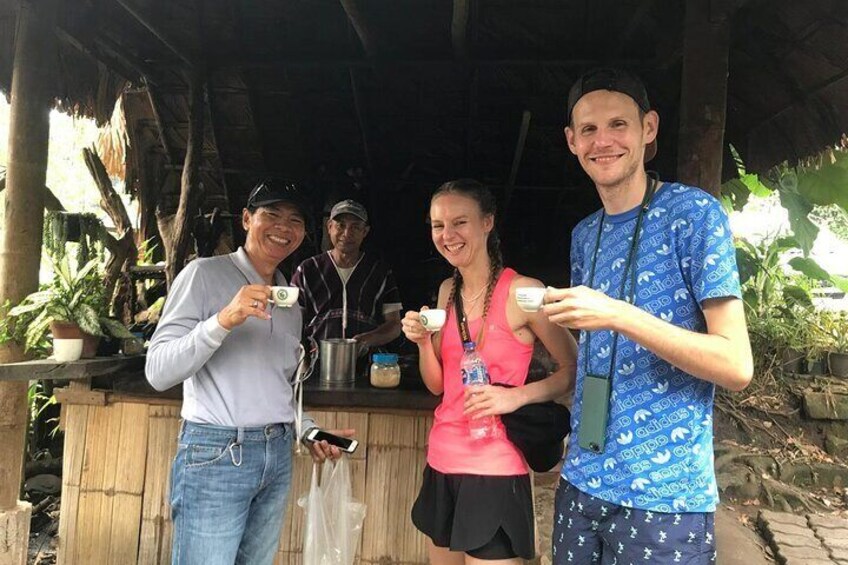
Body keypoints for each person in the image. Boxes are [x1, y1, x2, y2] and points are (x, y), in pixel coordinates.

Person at [544, 67, 754, 564]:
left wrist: (619, 314)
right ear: (572, 141)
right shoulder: (584, 234)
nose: (603, 141)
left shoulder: (695, 215)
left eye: (619, 124)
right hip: (581, 482)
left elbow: (736, 365)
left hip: (664, 498)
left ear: (649, 129)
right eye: (589, 130)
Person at [146, 180, 351, 565]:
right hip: (217, 453)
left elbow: (279, 389)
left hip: (276, 454)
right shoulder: (204, 275)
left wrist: (308, 430)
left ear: (304, 233)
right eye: (271, 214)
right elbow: (158, 371)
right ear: (246, 219)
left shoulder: (289, 299)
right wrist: (222, 320)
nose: (283, 227)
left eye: (295, 220)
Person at [401, 179, 578, 563]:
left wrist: (516, 396)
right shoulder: (447, 291)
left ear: (487, 223)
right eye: (437, 225)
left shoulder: (523, 292)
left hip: (496, 465)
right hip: (442, 458)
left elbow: (573, 368)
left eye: (459, 222)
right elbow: (437, 385)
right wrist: (420, 342)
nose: (447, 235)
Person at [292, 199, 402, 353]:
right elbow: (292, 322)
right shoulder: (307, 270)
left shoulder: (379, 271)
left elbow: (394, 325)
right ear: (329, 227)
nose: (347, 233)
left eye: (355, 227)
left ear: (365, 232)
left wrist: (367, 339)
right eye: (340, 225)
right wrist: (302, 360)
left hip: (367, 365)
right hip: (317, 362)